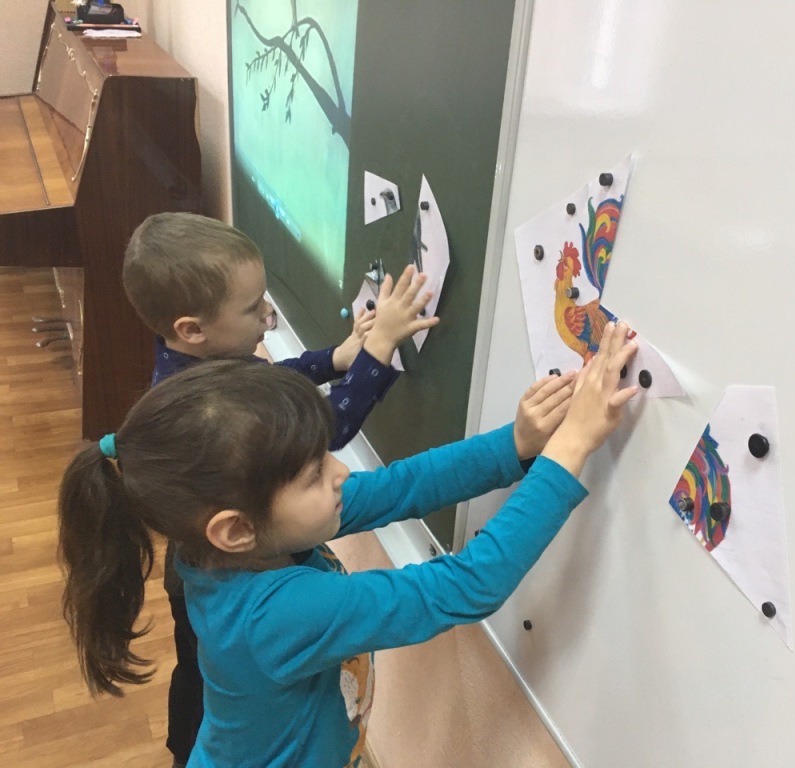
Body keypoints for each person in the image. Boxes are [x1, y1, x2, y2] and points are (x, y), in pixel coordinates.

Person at [58, 322, 638, 768]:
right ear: (234, 529)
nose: (340, 474)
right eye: (315, 472)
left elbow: (402, 486)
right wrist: (570, 449)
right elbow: (466, 586)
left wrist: (515, 444)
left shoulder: (250, 538)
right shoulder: (274, 614)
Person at [121, 211, 436, 767]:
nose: (269, 313)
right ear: (192, 329)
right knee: (204, 687)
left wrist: (335, 359)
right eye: (253, 308)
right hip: (218, 566)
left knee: (206, 681)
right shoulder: (203, 412)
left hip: (211, 550)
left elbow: (268, 378)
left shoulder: (192, 359)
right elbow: (329, 426)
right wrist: (380, 346)